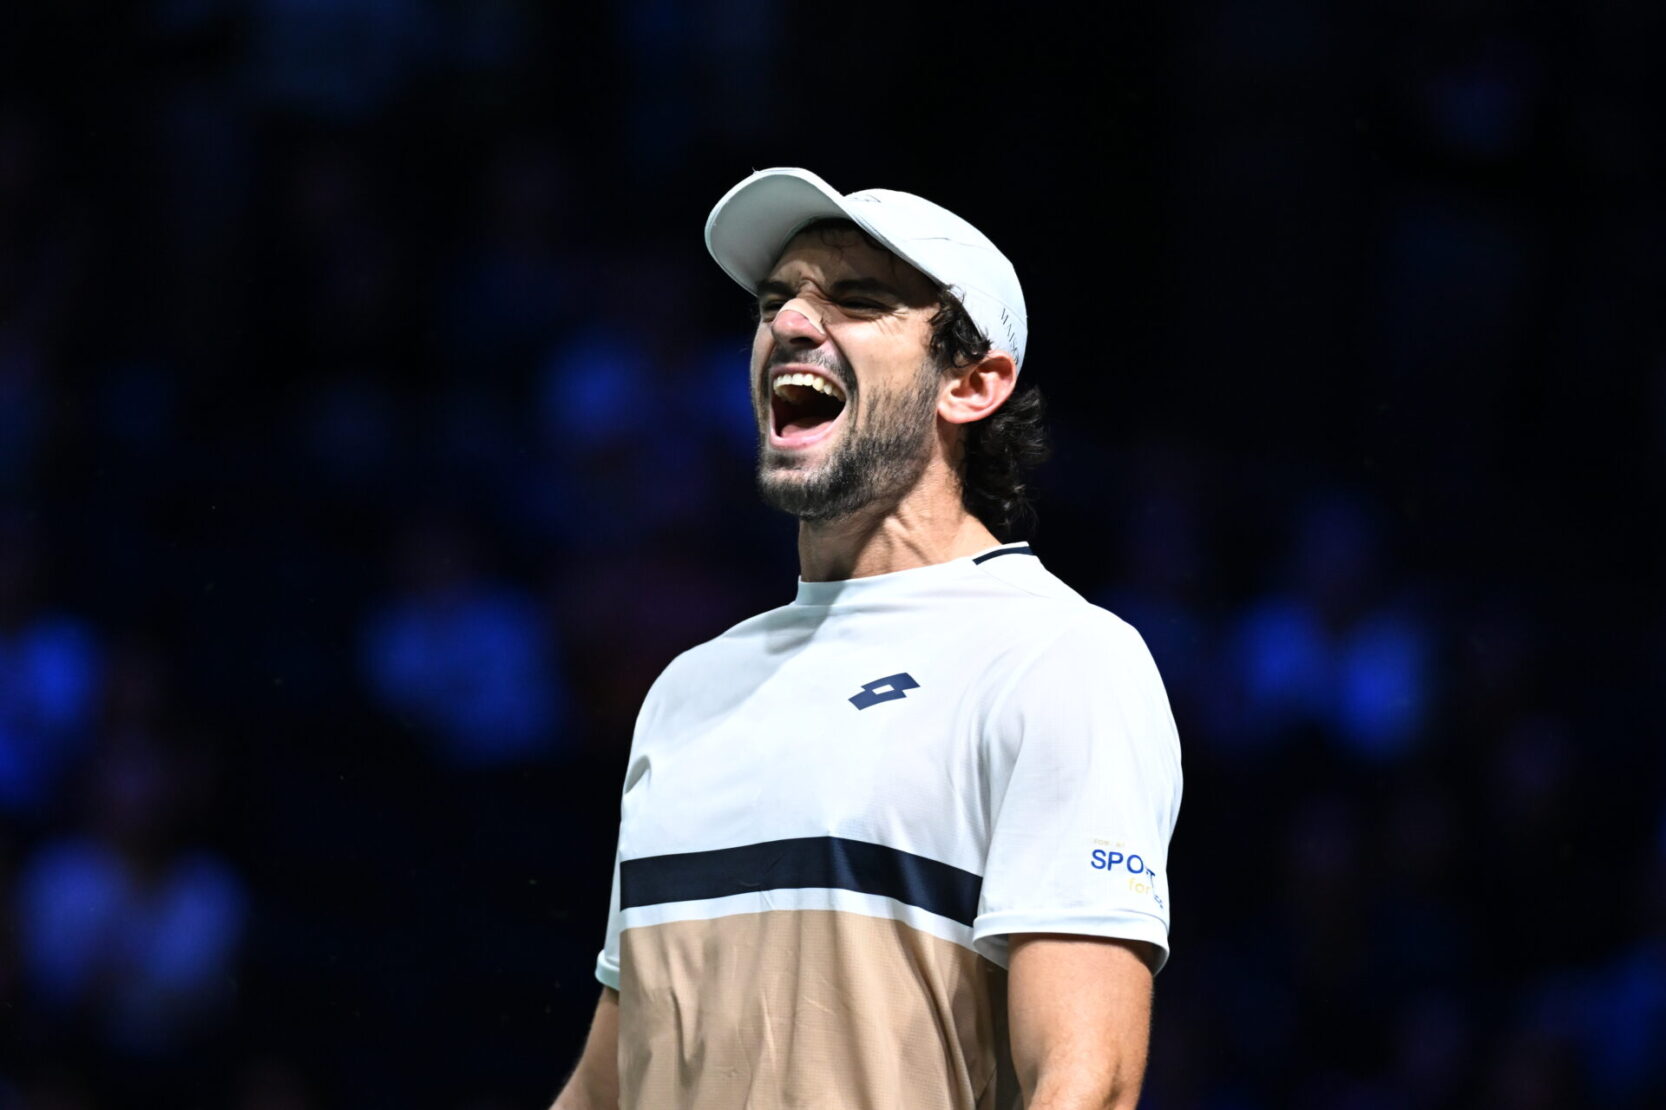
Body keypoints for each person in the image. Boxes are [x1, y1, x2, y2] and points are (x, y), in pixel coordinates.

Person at [549, 168, 1183, 1110]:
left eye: (856, 300)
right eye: (774, 302)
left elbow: (1085, 1082)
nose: (792, 325)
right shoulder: (686, 692)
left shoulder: (1059, 659)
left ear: (973, 383)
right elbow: (611, 1083)